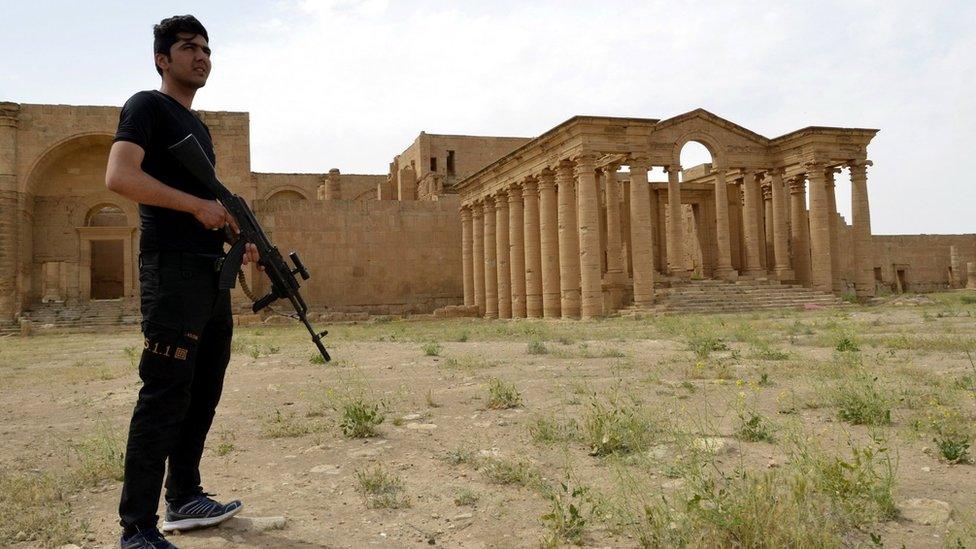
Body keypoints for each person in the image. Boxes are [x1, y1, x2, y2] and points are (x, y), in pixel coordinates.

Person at [105, 15, 260, 549]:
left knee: (203, 388)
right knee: (165, 392)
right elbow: (120, 176)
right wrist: (198, 205)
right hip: (170, 271)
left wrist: (240, 246)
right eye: (189, 47)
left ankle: (185, 496)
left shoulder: (202, 128)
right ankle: (137, 528)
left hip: (206, 275)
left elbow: (208, 212)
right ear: (162, 59)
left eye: (207, 49)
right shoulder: (146, 106)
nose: (202, 56)